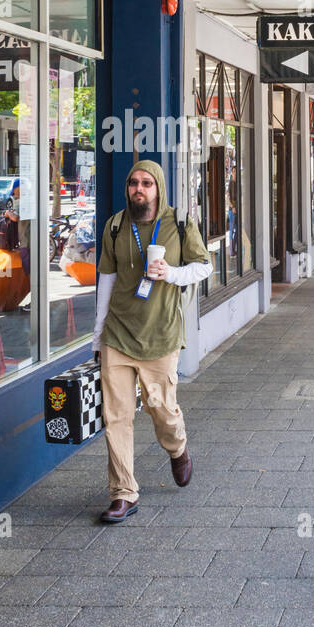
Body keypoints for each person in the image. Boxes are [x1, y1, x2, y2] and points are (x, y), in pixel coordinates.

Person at [91, 160, 211, 524]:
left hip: (161, 334)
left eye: (146, 183)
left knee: (161, 408)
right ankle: (123, 493)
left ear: (158, 187)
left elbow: (204, 265)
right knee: (117, 417)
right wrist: (98, 339)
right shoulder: (115, 226)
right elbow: (106, 283)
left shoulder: (179, 223)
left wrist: (171, 273)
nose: (138, 189)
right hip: (118, 334)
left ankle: (178, 448)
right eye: (133, 183)